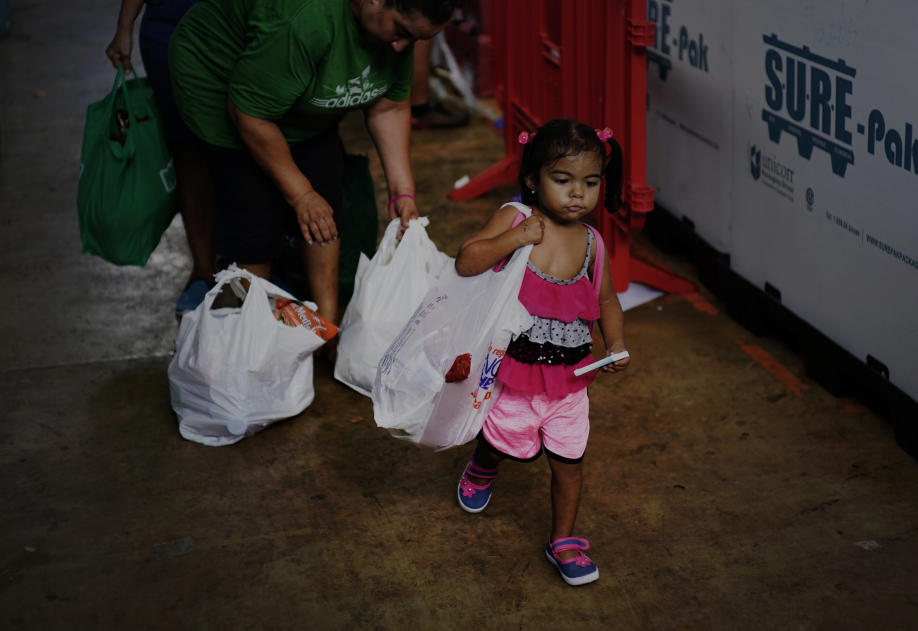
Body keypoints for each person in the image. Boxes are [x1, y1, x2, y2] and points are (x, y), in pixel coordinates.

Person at [168, 0, 464, 342]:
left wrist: (402, 191)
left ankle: (327, 330)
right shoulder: (306, 19)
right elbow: (249, 113)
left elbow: (389, 106)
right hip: (223, 84)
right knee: (255, 215)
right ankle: (243, 338)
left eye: (414, 39)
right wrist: (300, 194)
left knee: (326, 199)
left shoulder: (397, 33)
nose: (402, 47)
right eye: (400, 31)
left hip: (293, 95)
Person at [453, 119, 631, 586]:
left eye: (590, 183)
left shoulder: (593, 242)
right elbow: (466, 260)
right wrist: (516, 238)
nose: (578, 194)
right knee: (501, 440)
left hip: (572, 381)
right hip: (515, 373)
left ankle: (564, 540)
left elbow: (607, 300)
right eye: (563, 180)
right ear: (533, 179)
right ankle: (483, 465)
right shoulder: (516, 216)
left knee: (570, 461)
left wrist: (614, 343)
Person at [105, 0, 216, 315]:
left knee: (241, 152)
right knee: (188, 153)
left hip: (237, 26)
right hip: (169, 29)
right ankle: (204, 271)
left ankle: (251, 264)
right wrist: (125, 26)